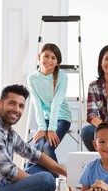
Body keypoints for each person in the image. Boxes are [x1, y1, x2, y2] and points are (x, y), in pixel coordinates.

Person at [25, 43, 72, 179]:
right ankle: (31, 180)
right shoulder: (32, 78)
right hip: (44, 120)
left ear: (57, 62)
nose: (49, 61)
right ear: (39, 57)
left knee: (47, 148)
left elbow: (56, 103)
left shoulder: (62, 77)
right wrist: (42, 127)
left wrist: (51, 128)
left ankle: (57, 185)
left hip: (61, 118)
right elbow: (37, 103)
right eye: (46, 56)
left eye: (53, 58)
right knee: (37, 147)